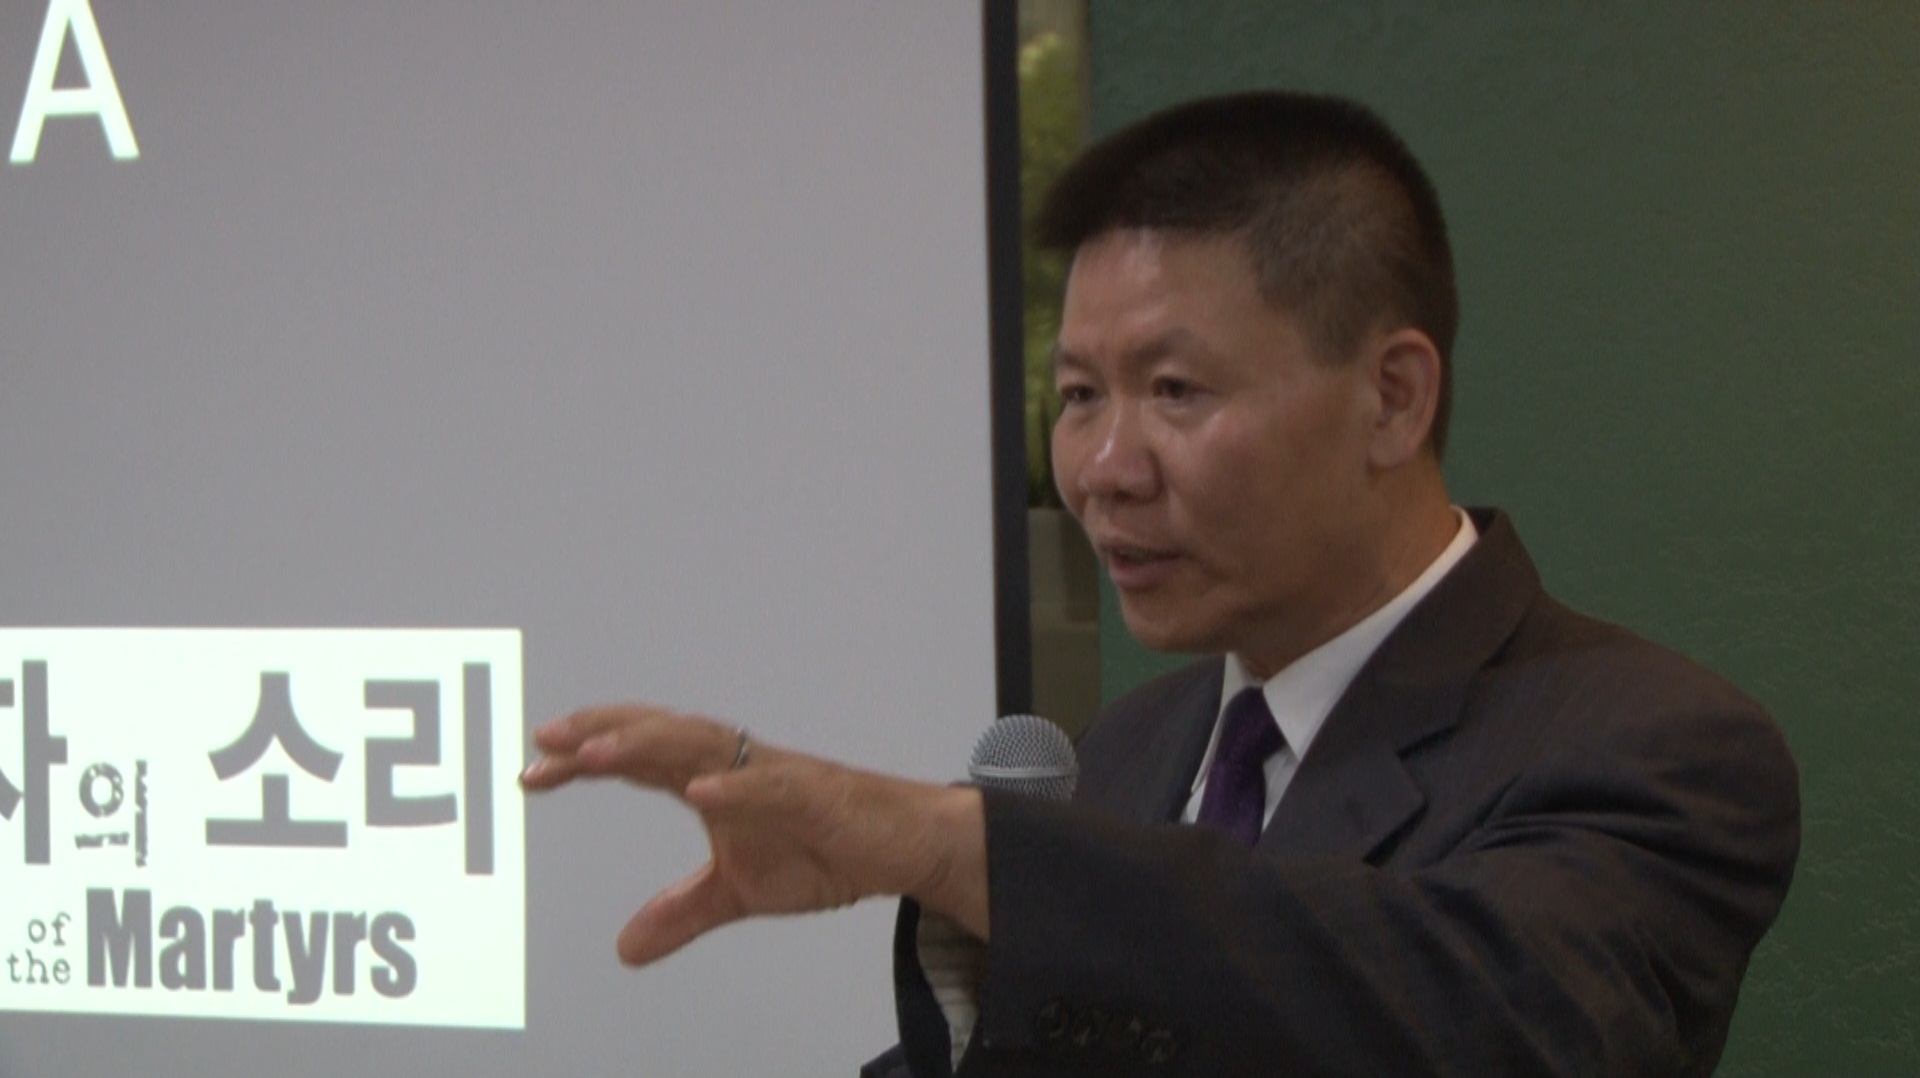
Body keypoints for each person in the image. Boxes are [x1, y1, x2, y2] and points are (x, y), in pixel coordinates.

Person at [519, 91, 1799, 1077]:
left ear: (1393, 397)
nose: (1103, 470)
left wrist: (956, 846)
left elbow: (1487, 1019)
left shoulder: (1655, 745)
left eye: (1176, 390)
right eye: (1081, 395)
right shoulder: (1129, 753)